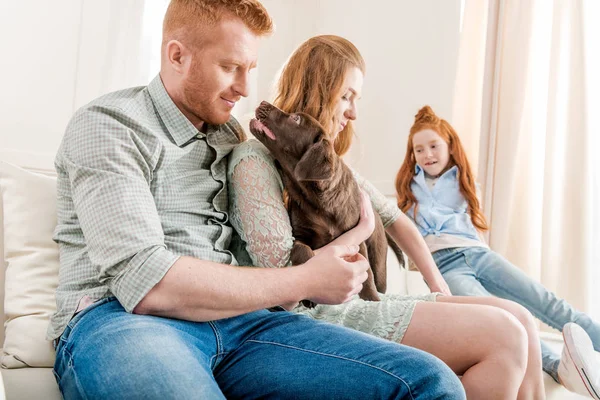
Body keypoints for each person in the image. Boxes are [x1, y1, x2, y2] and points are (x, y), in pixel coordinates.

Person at [48, 1, 468, 399]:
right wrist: (305, 279)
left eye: (250, 69)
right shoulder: (109, 126)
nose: (245, 88)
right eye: (230, 68)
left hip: (244, 325)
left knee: (431, 383)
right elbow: (147, 284)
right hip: (126, 321)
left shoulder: (230, 135)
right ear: (177, 56)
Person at [228, 35, 546, 399]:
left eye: (356, 99)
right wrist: (362, 230)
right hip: (311, 317)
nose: (353, 112)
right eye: (347, 96)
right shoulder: (255, 161)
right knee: (503, 335)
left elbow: (398, 222)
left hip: (359, 299)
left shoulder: (333, 169)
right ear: (319, 89)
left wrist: (437, 287)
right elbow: (288, 287)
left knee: (520, 319)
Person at [395, 104, 600, 398]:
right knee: (504, 318)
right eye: (419, 149)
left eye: (433, 146)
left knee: (546, 301)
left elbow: (474, 230)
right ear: (412, 155)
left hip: (480, 255)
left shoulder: (464, 182)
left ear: (449, 146)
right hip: (447, 266)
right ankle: (556, 366)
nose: (427, 154)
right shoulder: (408, 192)